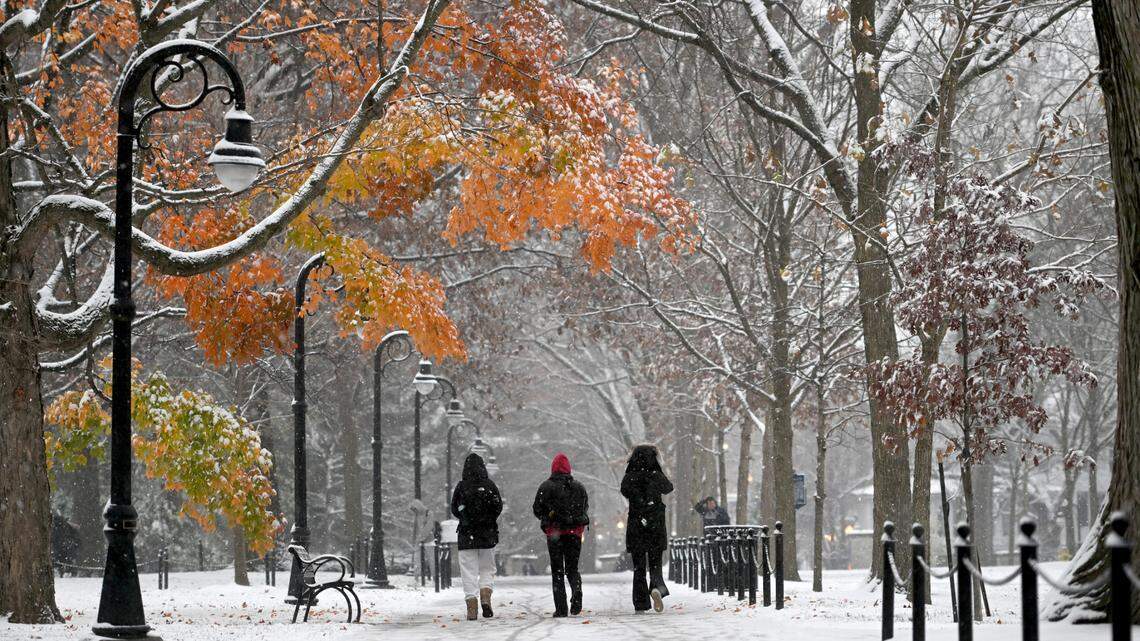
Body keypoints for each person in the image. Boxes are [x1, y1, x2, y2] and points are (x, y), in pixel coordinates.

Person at [532, 452, 589, 617]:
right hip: (574, 533)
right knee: (572, 568)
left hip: (554, 533)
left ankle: (561, 608)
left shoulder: (546, 486)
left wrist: (548, 516)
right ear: (568, 468)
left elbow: (537, 509)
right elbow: (585, 507)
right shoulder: (579, 487)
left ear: (553, 468)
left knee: (557, 570)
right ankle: (576, 589)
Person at [621, 444, 673, 613]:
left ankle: (640, 603)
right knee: (655, 563)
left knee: (639, 567)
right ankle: (656, 587)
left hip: (637, 525)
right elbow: (668, 487)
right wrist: (657, 471)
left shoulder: (630, 477)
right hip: (655, 525)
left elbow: (624, 491)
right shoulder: (656, 475)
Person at [450, 452, 503, 621]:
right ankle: (485, 595)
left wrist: (466, 518)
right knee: (488, 568)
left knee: (468, 571)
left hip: (467, 535)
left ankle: (471, 606)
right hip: (487, 535)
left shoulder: (461, 487)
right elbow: (498, 506)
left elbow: (454, 508)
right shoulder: (490, 485)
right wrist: (487, 519)